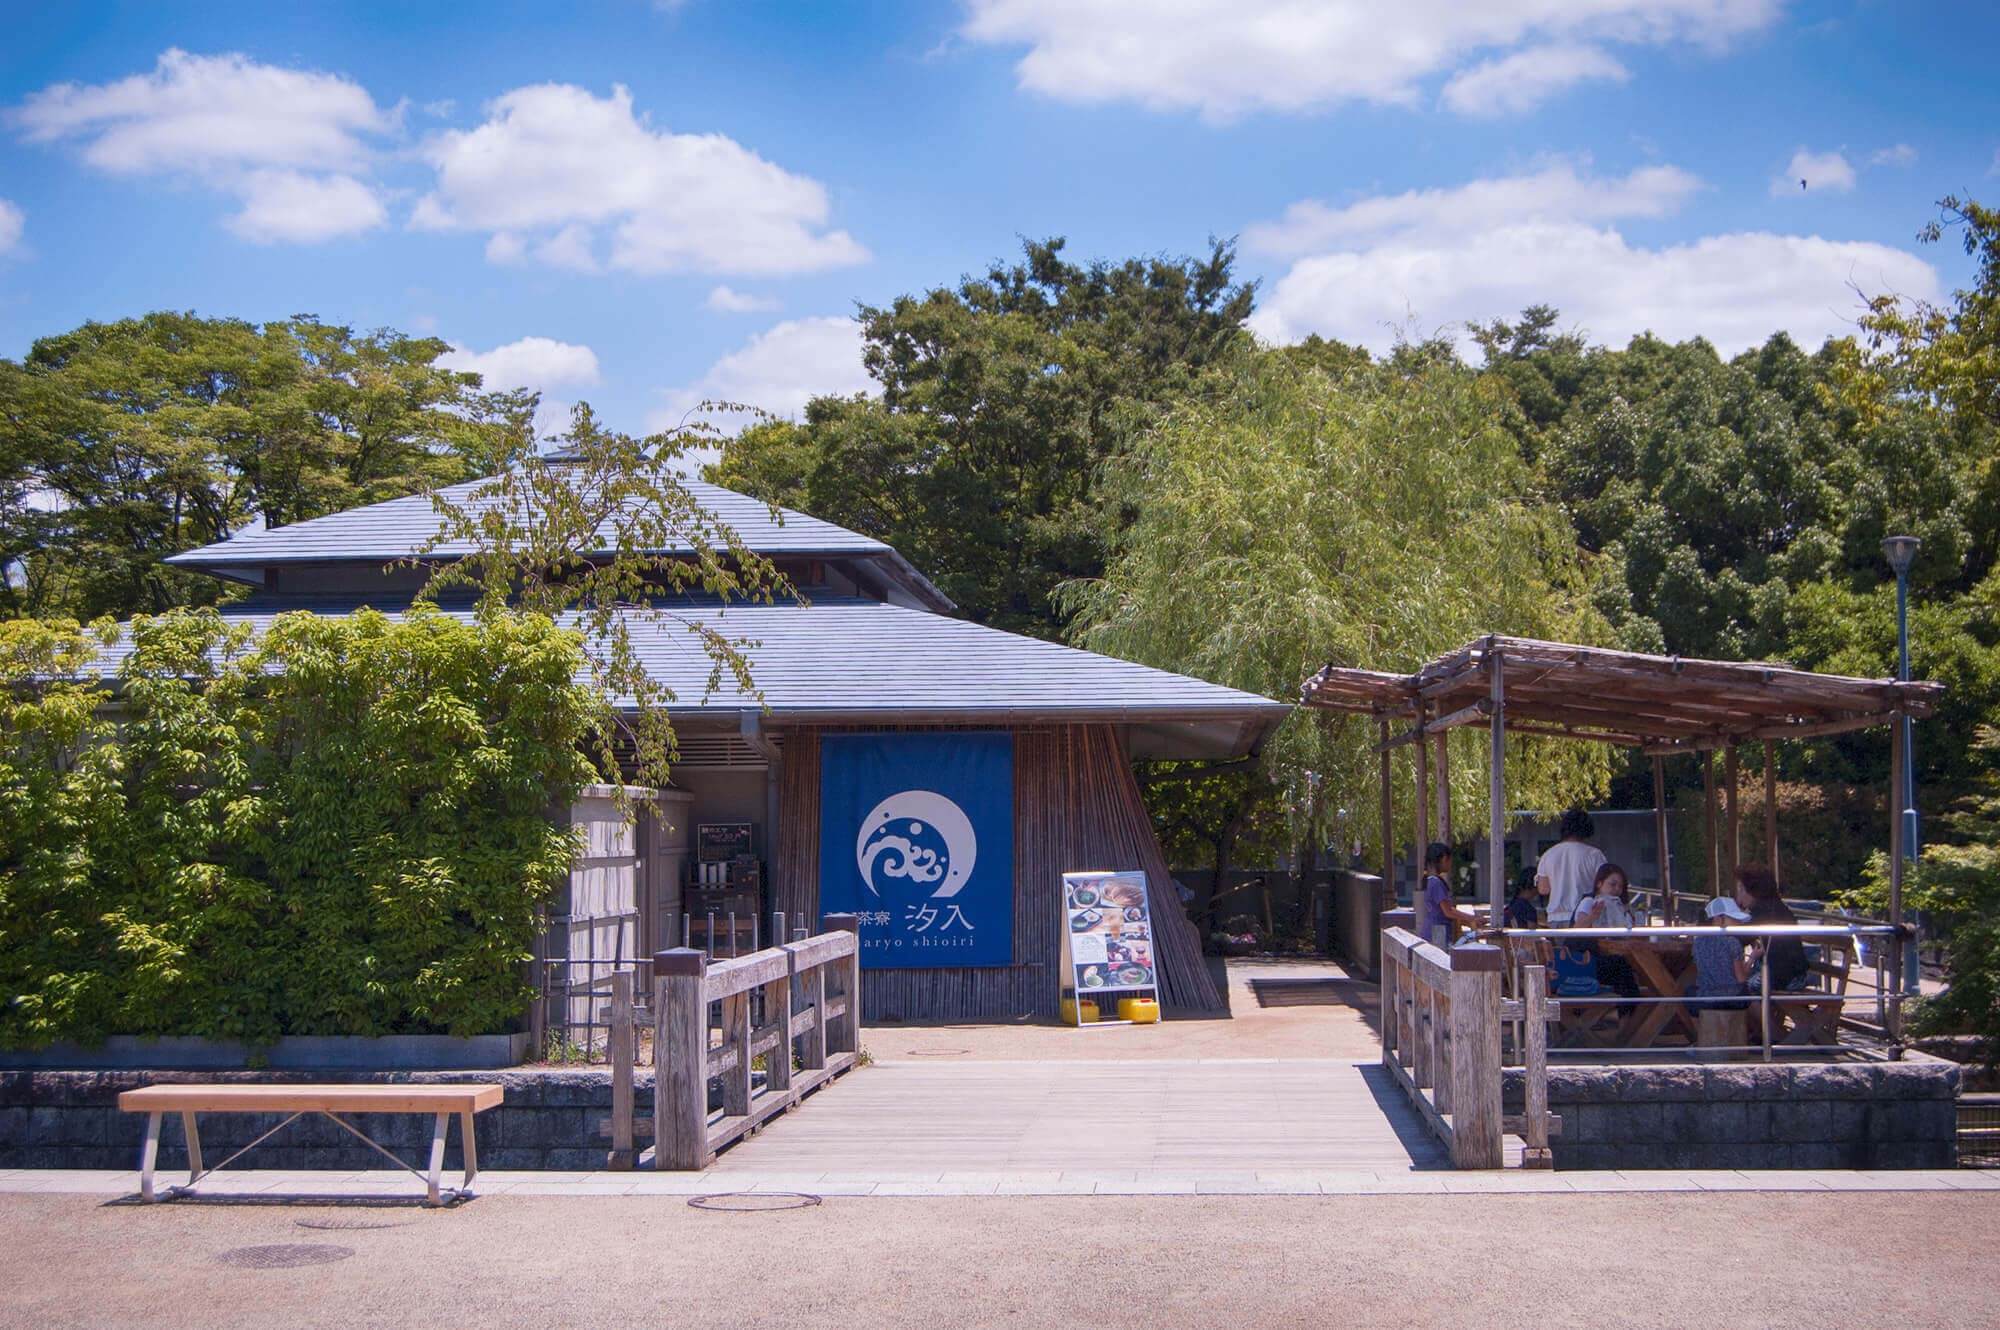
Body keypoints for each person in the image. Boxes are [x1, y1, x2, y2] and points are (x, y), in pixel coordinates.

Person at [1573, 862, 1641, 1002]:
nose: (1617, 889)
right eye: (1612, 884)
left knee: (1630, 969)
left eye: (1620, 886)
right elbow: (1576, 929)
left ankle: (1632, 1019)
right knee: (1624, 971)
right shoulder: (1589, 902)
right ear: (1599, 884)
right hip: (1587, 960)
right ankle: (1630, 1020)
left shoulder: (1619, 906)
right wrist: (1594, 916)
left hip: (1606, 956)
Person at [1735, 866, 1809, 992]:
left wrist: (1733, 915)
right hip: (1791, 974)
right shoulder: (1773, 907)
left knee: (1739, 989)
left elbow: (1741, 938)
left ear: (1753, 891)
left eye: (1741, 890)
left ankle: (1759, 1012)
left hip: (1784, 976)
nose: (1739, 895)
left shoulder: (1764, 911)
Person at [1535, 808, 1606, 927]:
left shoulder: (1549, 854)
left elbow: (1543, 889)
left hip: (1555, 918)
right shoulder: (1595, 855)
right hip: (1584, 917)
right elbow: (1604, 887)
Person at [1691, 895, 1751, 1010]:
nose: (1738, 922)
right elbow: (1741, 978)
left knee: (1688, 991)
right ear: (1718, 920)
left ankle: (1698, 1027)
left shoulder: (1698, 941)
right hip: (1732, 999)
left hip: (1706, 998)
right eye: (1733, 919)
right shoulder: (1732, 942)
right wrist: (1752, 958)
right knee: (1750, 990)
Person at [1418, 842, 1478, 947]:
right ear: (1444, 858)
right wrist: (1472, 918)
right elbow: (1448, 911)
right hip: (1437, 933)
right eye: (1450, 860)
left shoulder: (1431, 880)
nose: (1450, 864)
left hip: (1434, 930)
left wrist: (1468, 919)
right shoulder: (1436, 882)